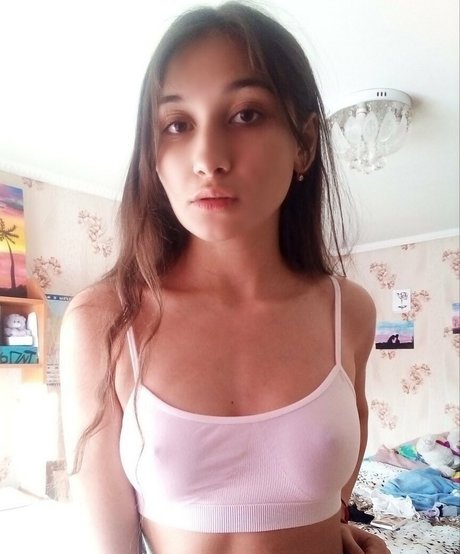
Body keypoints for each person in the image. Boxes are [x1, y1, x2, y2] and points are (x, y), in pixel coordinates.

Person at [60, 3, 389, 553]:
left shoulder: (349, 312)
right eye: (177, 125)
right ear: (153, 156)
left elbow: (331, 497)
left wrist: (339, 531)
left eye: (246, 114)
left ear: (305, 143)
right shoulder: (104, 321)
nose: (207, 158)